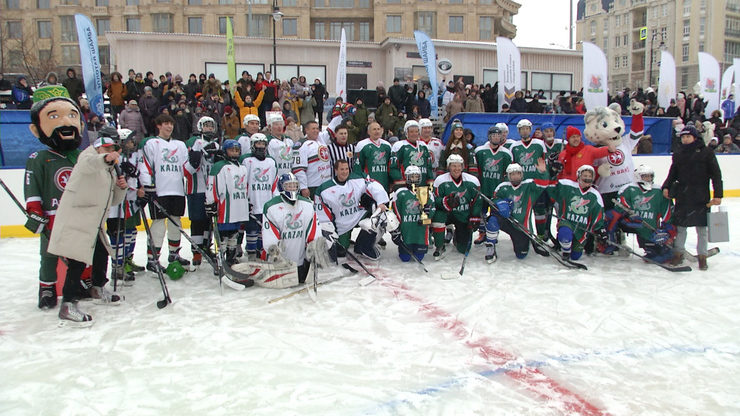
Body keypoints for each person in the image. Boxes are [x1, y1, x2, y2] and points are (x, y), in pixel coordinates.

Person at [48, 131, 128, 326]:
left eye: (112, 150)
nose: (110, 153)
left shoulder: (108, 170)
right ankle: (67, 304)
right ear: (99, 148)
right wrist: (105, 158)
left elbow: (114, 200)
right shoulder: (87, 157)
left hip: (95, 222)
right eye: (106, 149)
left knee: (102, 253)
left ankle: (97, 288)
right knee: (77, 261)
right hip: (79, 220)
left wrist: (121, 187)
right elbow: (90, 164)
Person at [24, 87, 85, 310]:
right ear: (36, 128)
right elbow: (33, 187)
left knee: (79, 251)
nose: (66, 122)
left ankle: (82, 282)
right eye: (54, 116)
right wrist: (35, 210)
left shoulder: (81, 156)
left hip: (78, 214)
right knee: (49, 254)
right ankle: (47, 287)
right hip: (52, 214)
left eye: (72, 115)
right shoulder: (39, 158)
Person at [229, 173, 326, 288]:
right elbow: (270, 237)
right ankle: (242, 272)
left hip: (300, 262)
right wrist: (275, 252)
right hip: (279, 263)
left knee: (300, 279)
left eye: (294, 186)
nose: (292, 189)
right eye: (288, 186)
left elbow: (313, 230)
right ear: (281, 187)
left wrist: (315, 247)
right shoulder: (271, 207)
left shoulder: (307, 204)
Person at [139, 114, 202, 271]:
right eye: (166, 124)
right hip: (159, 191)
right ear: (159, 125)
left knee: (176, 222)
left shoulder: (180, 145)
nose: (169, 127)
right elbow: (145, 166)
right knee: (159, 224)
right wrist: (148, 187)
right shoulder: (151, 143)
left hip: (177, 190)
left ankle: (174, 254)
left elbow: (185, 169)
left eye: (171, 124)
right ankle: (153, 258)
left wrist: (195, 161)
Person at [661, 125, 723, 270]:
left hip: (701, 197)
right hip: (683, 195)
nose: (685, 139)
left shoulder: (706, 152)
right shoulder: (678, 153)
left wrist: (718, 194)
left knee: (701, 229)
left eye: (688, 136)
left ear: (695, 137)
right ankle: (678, 254)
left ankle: (702, 257)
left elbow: (716, 174)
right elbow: (673, 173)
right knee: (681, 227)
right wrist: (666, 186)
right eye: (683, 137)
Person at [315, 160, 390, 260]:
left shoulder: (356, 179)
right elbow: (322, 214)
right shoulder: (324, 189)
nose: (345, 172)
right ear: (336, 170)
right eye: (342, 169)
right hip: (341, 225)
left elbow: (372, 184)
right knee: (340, 252)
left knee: (380, 215)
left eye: (346, 169)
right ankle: (345, 240)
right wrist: (329, 232)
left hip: (357, 216)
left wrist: (381, 202)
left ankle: (363, 246)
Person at [604, 164, 675, 263]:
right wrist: (628, 216)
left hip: (649, 227)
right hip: (631, 223)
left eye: (650, 176)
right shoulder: (628, 188)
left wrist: (666, 231)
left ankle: (663, 249)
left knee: (655, 254)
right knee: (610, 215)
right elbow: (620, 206)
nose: (648, 178)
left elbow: (668, 213)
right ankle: (610, 242)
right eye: (645, 176)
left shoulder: (658, 191)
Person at [487, 162, 550, 262]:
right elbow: (494, 200)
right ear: (508, 176)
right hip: (507, 220)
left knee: (521, 255)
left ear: (522, 174)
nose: (515, 177)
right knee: (493, 220)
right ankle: (490, 247)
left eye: (518, 174)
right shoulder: (503, 187)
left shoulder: (528, 186)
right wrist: (501, 203)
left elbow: (543, 184)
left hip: (521, 226)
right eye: (512, 174)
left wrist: (543, 172)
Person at [205, 140, 252, 266]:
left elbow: (245, 186)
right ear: (225, 151)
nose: (234, 153)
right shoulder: (220, 166)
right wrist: (210, 202)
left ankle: (231, 258)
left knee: (234, 234)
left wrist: (248, 202)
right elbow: (212, 185)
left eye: (237, 150)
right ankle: (221, 259)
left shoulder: (242, 167)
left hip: (239, 206)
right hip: (225, 208)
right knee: (223, 235)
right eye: (232, 150)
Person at [110, 128, 146, 284]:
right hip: (120, 202)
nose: (133, 143)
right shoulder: (115, 158)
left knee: (132, 231)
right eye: (130, 141)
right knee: (120, 234)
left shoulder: (136, 156)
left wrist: (141, 188)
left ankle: (127, 260)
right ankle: (117, 266)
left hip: (132, 202)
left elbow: (140, 174)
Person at [549, 165, 606, 261]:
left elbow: (598, 215)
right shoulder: (568, 186)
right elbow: (552, 187)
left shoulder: (595, 195)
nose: (587, 178)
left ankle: (571, 249)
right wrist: (552, 175)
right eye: (585, 176)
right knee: (565, 236)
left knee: (575, 256)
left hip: (582, 229)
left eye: (589, 176)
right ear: (579, 176)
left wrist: (600, 230)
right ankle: (565, 251)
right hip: (567, 222)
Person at [184, 116, 220, 268]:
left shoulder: (217, 144)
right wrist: (199, 155)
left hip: (212, 190)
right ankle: (196, 251)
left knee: (209, 221)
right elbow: (187, 168)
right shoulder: (193, 142)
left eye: (211, 126)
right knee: (198, 221)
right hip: (197, 189)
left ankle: (206, 246)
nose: (209, 128)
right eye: (206, 126)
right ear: (200, 127)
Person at [431, 154, 482, 259]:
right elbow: (435, 200)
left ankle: (457, 237)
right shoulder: (440, 180)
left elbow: (477, 200)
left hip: (463, 214)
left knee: (463, 249)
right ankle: (440, 246)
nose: (456, 169)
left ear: (463, 167)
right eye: (453, 166)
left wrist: (474, 216)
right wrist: (445, 201)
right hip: (446, 213)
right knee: (437, 218)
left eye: (459, 166)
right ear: (448, 167)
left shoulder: (472, 181)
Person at [473, 125, 513, 245]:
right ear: (489, 136)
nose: (496, 137)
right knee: (482, 212)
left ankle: (492, 233)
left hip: (497, 190)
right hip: (484, 188)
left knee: (495, 214)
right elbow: (476, 170)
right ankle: (482, 233)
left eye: (498, 135)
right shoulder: (480, 151)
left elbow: (507, 174)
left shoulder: (506, 153)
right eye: (493, 135)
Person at [241, 133, 278, 259]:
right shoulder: (246, 160)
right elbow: (242, 182)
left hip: (266, 204)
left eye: (263, 144)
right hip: (253, 203)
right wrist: (244, 200)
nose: (261, 147)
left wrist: (274, 202)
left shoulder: (271, 161)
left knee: (264, 232)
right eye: (258, 144)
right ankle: (251, 254)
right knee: (251, 231)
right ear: (252, 145)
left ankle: (261, 253)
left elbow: (274, 183)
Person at [390, 165, 434, 262]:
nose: (414, 179)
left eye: (416, 176)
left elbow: (433, 208)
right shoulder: (400, 192)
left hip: (420, 232)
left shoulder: (426, 192)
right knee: (405, 258)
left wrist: (428, 213)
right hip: (406, 230)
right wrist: (396, 229)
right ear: (407, 177)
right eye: (412, 176)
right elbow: (395, 211)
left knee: (419, 257)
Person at [293, 119, 338, 199]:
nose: (316, 131)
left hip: (326, 184)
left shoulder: (320, 141)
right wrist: (303, 187)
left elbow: (330, 130)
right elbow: (298, 169)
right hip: (312, 186)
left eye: (317, 128)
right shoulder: (301, 145)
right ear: (306, 130)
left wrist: (339, 116)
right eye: (313, 128)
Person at [389, 120, 434, 190]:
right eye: (411, 132)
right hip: (406, 186)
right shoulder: (400, 146)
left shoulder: (423, 146)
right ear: (406, 133)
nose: (414, 134)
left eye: (416, 131)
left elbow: (429, 166)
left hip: (423, 186)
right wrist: (399, 180)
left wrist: (430, 180)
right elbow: (393, 167)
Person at [354, 121, 392, 191]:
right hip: (369, 186)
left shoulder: (387, 145)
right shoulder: (362, 145)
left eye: (378, 129)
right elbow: (358, 168)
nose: (377, 131)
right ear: (368, 132)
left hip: (384, 184)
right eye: (374, 129)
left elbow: (391, 166)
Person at [265, 112, 295, 178]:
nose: (279, 127)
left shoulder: (289, 140)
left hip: (289, 178)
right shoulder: (267, 141)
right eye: (276, 124)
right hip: (275, 177)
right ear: (270, 127)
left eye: (281, 124)